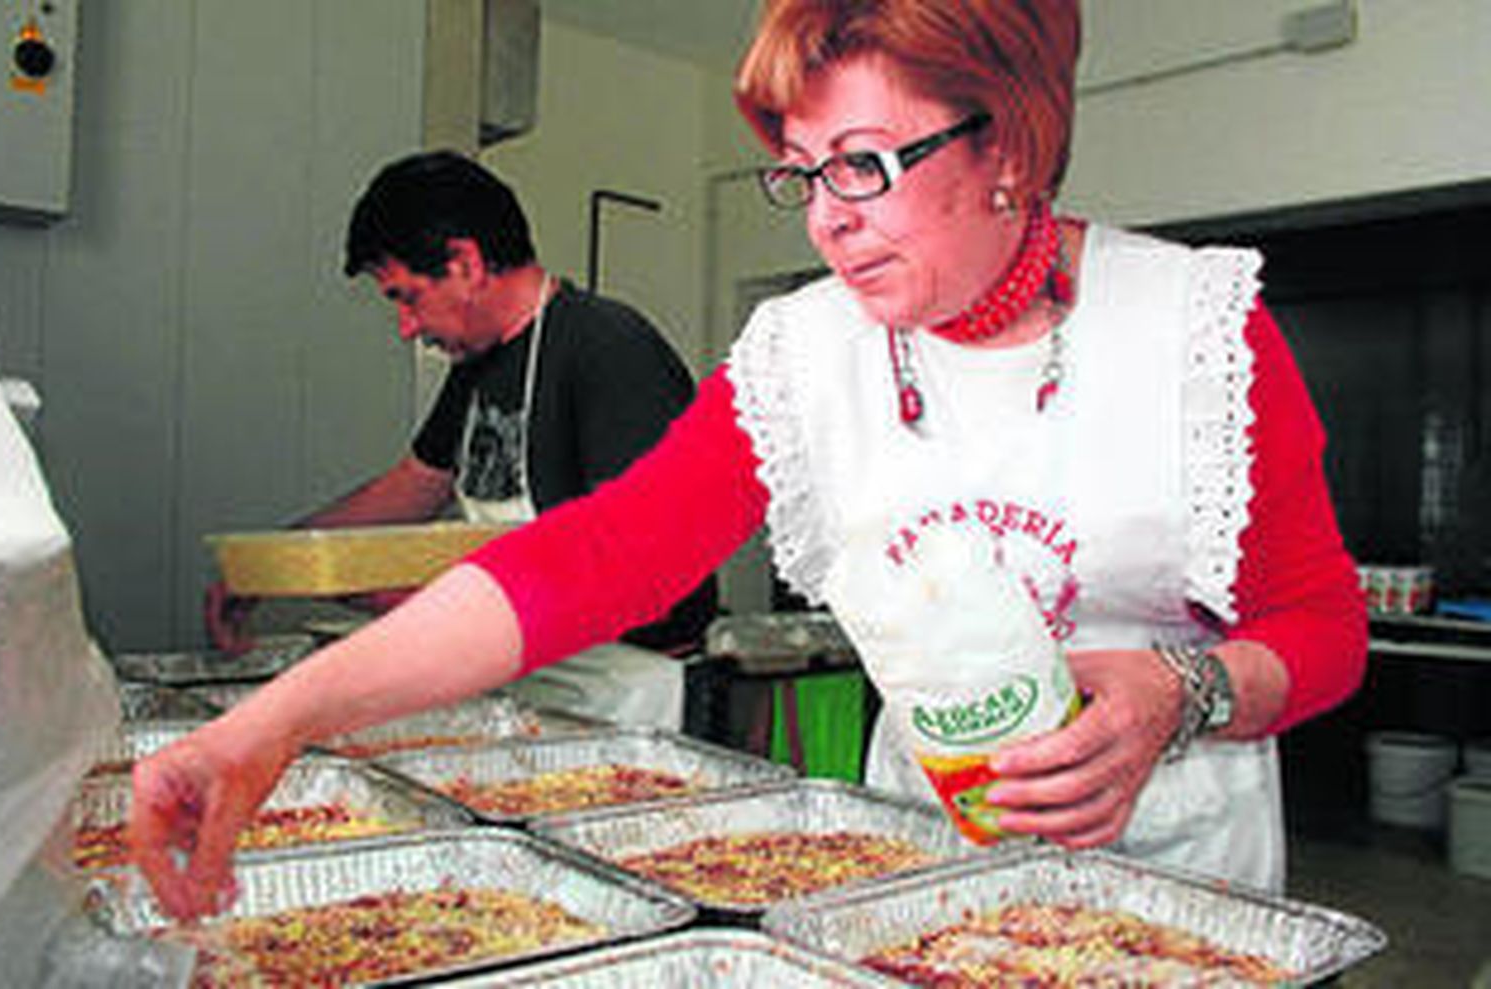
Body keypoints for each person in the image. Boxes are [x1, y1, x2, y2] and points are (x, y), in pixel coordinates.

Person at [133, 0, 1367, 920]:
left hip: (1179, 890)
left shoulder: (1191, 324)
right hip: (933, 874)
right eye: (802, 170)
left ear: (1011, 143)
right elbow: (594, 555)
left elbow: (1320, 622)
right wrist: (272, 723)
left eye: (866, 164)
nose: (827, 215)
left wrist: (1186, 693)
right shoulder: (804, 351)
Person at [205, 150, 716, 729]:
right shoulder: (477, 366)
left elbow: (641, 563)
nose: (406, 327)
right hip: (532, 676)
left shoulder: (608, 348)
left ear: (466, 263)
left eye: (407, 296)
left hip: (626, 691)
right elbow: (412, 488)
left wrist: (434, 600)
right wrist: (276, 561)